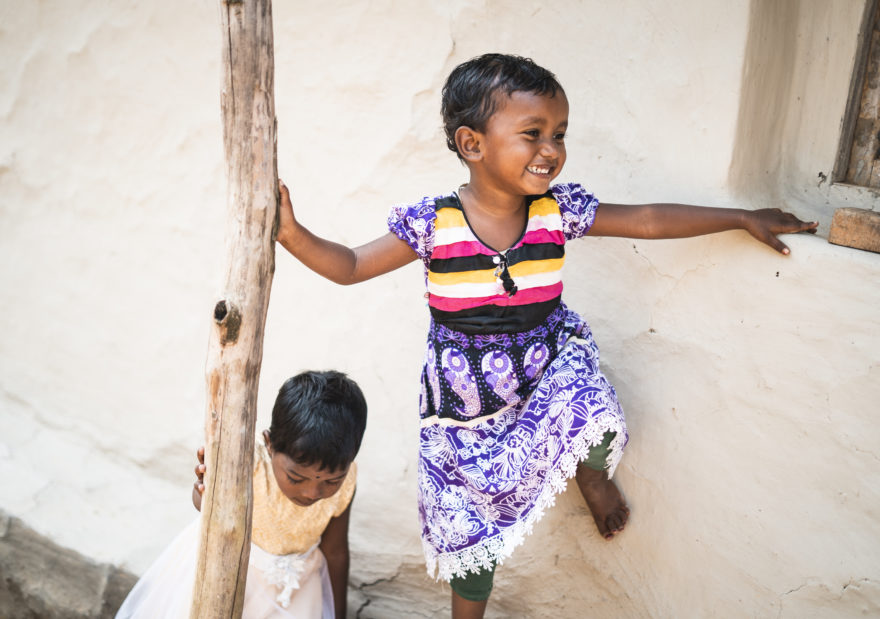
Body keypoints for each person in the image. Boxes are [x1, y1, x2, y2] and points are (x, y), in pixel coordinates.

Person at [275, 53, 818, 618]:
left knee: (596, 412)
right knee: (469, 545)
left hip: (545, 369)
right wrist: (293, 235)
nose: (551, 149)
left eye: (559, 134)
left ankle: (592, 478)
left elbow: (647, 219)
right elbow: (351, 265)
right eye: (532, 134)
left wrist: (737, 216)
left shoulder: (557, 211)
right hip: (463, 408)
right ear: (472, 144)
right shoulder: (434, 223)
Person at [116, 370, 368, 619]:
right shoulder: (248, 460)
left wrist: (337, 613)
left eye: (331, 481)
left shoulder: (347, 481)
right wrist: (203, 492)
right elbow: (208, 507)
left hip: (295, 592)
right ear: (269, 445)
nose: (312, 491)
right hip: (226, 569)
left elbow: (335, 551)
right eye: (295, 478)